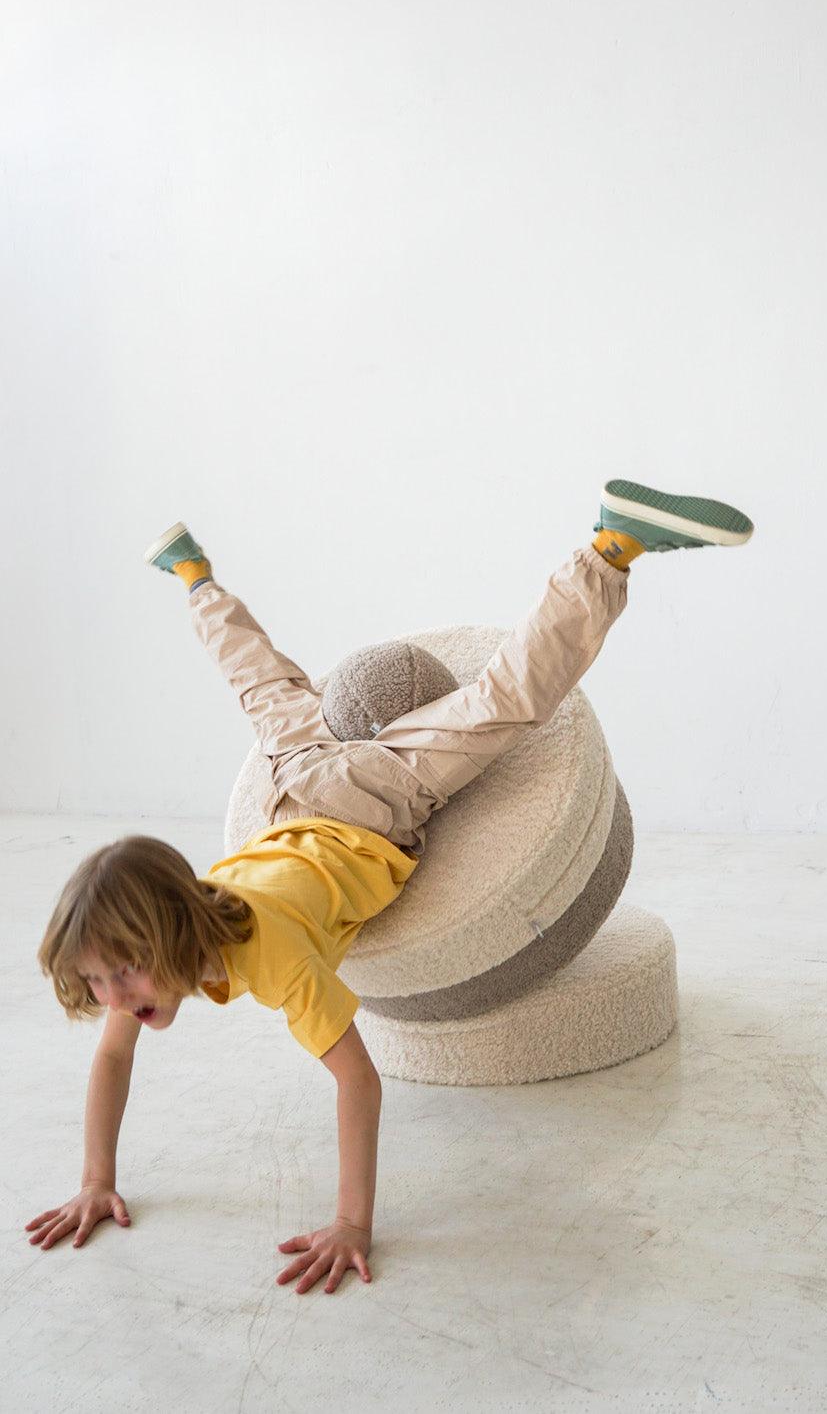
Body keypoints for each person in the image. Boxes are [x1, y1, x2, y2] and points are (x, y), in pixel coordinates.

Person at [26, 478, 754, 1295]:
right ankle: (194, 577)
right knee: (264, 688)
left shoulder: (276, 961)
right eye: (97, 979)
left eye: (118, 972)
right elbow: (112, 1063)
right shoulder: (167, 943)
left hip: (371, 805)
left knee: (504, 704)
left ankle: (610, 549)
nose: (112, 996)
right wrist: (95, 1177)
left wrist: (352, 1223)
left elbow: (357, 1080)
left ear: (164, 932)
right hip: (292, 790)